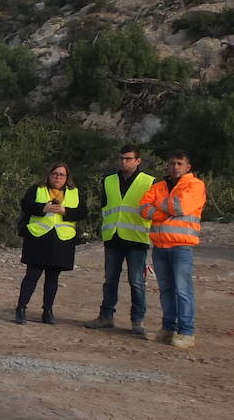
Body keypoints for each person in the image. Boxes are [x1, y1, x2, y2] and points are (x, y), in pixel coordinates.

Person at [83, 145, 154, 335]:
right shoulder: (108, 181)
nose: (124, 161)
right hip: (113, 238)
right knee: (110, 280)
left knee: (137, 282)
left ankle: (137, 320)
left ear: (138, 161)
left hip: (136, 240)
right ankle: (106, 316)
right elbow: (106, 207)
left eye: (129, 158)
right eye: (122, 158)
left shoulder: (149, 182)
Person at [140, 152, 205, 348]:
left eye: (179, 163)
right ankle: (167, 329)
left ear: (188, 167)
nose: (175, 167)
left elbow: (180, 206)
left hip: (181, 246)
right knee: (166, 290)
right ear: (167, 166)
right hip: (160, 246)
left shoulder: (195, 185)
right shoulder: (158, 186)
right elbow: (143, 208)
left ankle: (186, 332)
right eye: (172, 163)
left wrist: (158, 208)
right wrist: (165, 210)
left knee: (183, 290)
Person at [13, 162, 86, 325]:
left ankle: (48, 311)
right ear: (49, 175)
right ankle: (21, 308)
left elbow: (83, 212)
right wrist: (43, 208)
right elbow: (25, 205)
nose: (58, 177)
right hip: (38, 238)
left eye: (62, 175)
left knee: (53, 278)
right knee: (32, 276)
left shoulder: (75, 193)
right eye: (55, 174)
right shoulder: (36, 189)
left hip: (62, 240)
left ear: (67, 178)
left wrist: (65, 211)